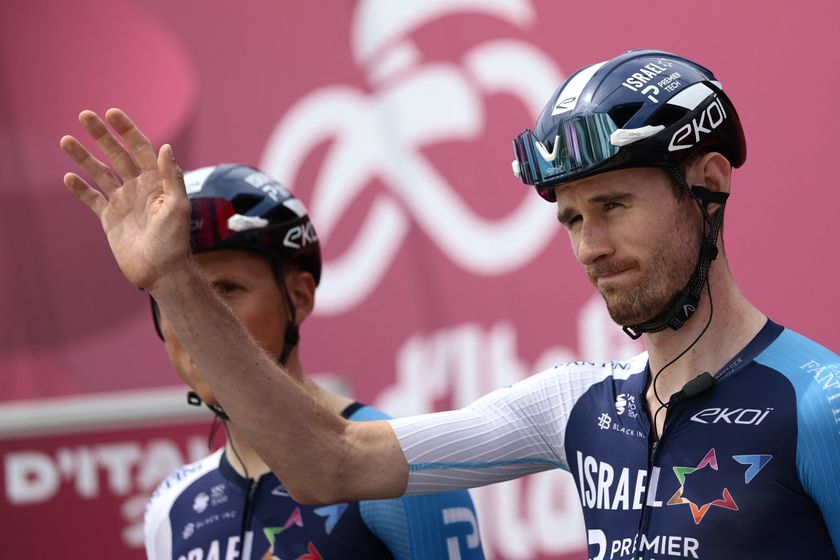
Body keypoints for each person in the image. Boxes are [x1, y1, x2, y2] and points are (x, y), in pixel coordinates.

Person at [61, 49, 839, 559]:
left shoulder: (819, 406)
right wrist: (173, 281)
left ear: (708, 181)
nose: (589, 245)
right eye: (570, 216)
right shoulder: (576, 406)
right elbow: (328, 464)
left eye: (613, 205)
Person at [136, 163, 485, 559]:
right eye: (174, 302)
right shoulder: (171, 506)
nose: (195, 326)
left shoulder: (405, 464)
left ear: (299, 297)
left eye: (226, 290)